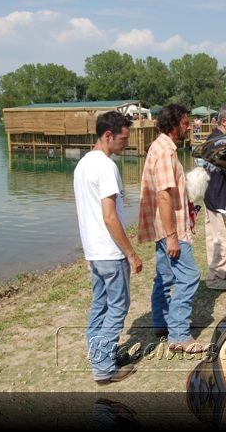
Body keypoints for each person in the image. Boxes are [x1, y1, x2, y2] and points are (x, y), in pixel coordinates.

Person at [73, 111, 143, 385]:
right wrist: (131, 253)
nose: (126, 143)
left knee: (100, 305)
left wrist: (87, 250)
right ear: (108, 136)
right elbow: (110, 216)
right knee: (117, 306)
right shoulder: (105, 166)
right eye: (124, 139)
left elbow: (80, 212)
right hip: (110, 253)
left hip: (95, 250)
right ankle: (103, 367)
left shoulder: (82, 165)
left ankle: (102, 353)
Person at [138, 103, 205, 354]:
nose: (189, 127)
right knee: (189, 277)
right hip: (171, 227)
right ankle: (179, 335)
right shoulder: (166, 151)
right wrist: (173, 237)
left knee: (165, 277)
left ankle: (161, 323)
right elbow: (164, 196)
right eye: (186, 123)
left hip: (162, 225)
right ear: (175, 124)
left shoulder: (159, 146)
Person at [203, 105, 226, 290]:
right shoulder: (220, 142)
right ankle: (215, 278)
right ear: (224, 122)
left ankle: (218, 271)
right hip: (217, 197)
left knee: (214, 238)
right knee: (224, 243)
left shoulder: (213, 139)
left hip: (211, 194)